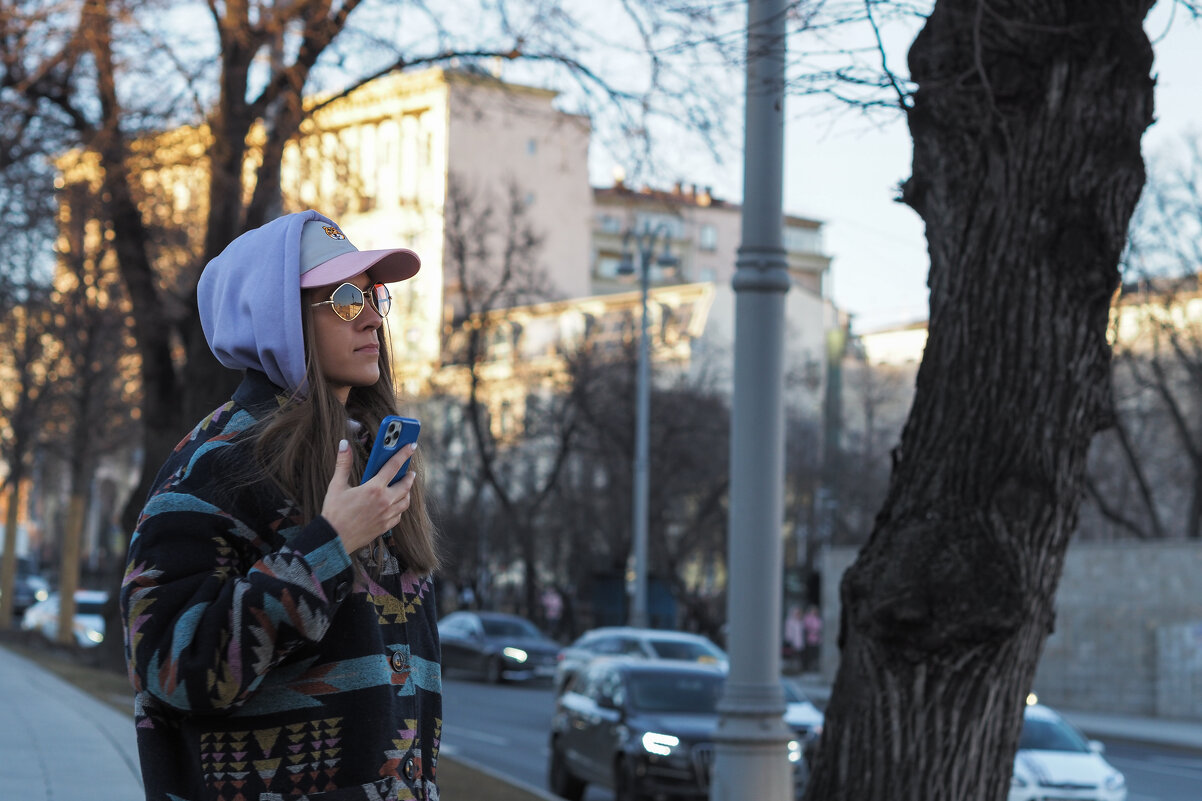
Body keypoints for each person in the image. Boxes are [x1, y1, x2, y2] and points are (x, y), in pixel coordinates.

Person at [120, 210, 442, 801]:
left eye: (374, 295)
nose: (372, 316)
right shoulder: (217, 465)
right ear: (276, 316)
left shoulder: (370, 460)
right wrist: (329, 547)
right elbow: (173, 665)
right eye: (345, 298)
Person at [802, 604, 824, 673]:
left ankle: (814, 666)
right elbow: (807, 627)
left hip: (816, 639)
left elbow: (820, 627)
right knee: (809, 653)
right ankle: (808, 666)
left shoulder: (818, 619)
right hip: (809, 639)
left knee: (815, 653)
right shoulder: (807, 618)